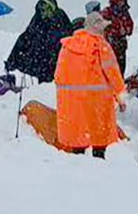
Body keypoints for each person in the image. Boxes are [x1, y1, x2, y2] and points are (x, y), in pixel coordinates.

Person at [54, 11, 126, 158]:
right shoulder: (101, 46)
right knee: (98, 139)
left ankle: (78, 167)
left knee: (78, 138)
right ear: (98, 29)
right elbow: (114, 75)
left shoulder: (68, 45)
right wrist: (121, 98)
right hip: (97, 102)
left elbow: (58, 75)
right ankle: (98, 166)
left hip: (73, 103)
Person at [5, 0, 73, 83]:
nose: (44, 12)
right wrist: (12, 61)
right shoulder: (37, 19)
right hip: (38, 60)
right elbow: (25, 37)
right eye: (42, 9)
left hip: (54, 61)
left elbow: (68, 36)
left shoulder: (60, 17)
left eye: (47, 9)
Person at [101, 0, 134, 76]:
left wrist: (126, 30)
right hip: (109, 46)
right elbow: (102, 26)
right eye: (119, 0)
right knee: (110, 71)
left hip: (121, 47)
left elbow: (130, 26)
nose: (121, 3)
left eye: (122, 0)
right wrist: (117, 30)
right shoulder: (107, 12)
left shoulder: (125, 13)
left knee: (120, 70)